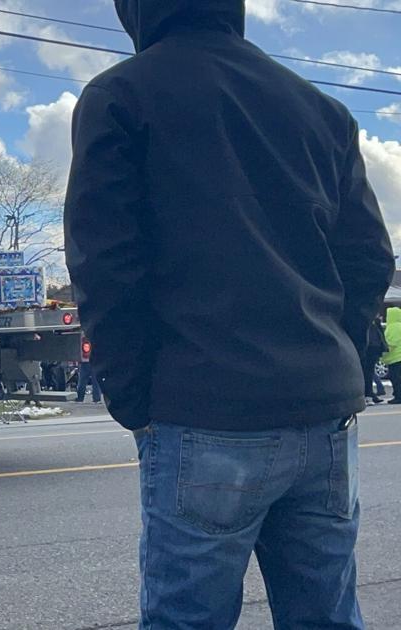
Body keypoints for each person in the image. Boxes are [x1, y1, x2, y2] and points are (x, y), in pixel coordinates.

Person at [64, 2, 394, 628]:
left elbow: (106, 263)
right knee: (327, 615)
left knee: (187, 618)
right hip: (323, 414)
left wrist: (137, 399)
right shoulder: (321, 110)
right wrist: (340, 359)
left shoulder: (120, 97)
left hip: (203, 408)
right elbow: (369, 257)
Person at [364, 315, 387, 404]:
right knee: (368, 373)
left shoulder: (374, 324)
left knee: (369, 373)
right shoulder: (371, 323)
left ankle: (369, 394)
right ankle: (369, 394)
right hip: (370, 349)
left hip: (371, 350)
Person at [75, 338, 101, 404]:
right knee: (95, 381)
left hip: (85, 361)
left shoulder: (83, 339)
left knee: (82, 381)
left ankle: (80, 398)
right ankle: (97, 399)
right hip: (95, 361)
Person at [384, 308, 401, 404]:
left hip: (395, 358)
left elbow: (391, 343)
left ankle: (398, 396)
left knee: (396, 379)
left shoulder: (393, 327)